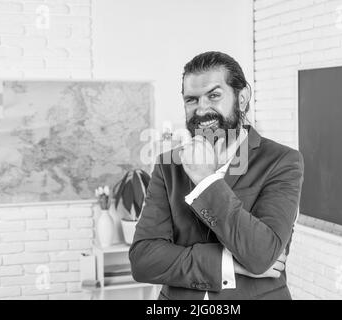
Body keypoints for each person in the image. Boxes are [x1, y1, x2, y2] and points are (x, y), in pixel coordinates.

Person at [129, 51, 304, 300]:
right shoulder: (168, 165)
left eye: (214, 95)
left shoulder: (282, 161)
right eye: (191, 99)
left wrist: (206, 180)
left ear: (242, 98)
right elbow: (143, 260)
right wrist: (228, 264)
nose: (201, 110)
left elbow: (261, 254)